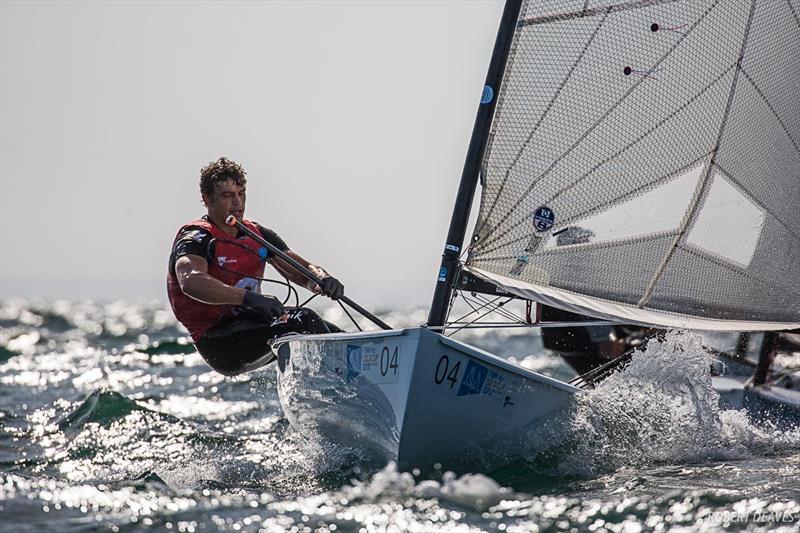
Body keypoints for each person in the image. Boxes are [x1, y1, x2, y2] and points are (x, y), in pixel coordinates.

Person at [167, 157, 345, 375]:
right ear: (207, 199)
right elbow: (190, 280)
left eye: (241, 193)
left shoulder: (257, 234)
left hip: (255, 325)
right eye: (227, 195)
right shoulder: (196, 237)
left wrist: (322, 279)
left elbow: (299, 266)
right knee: (304, 320)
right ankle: (344, 379)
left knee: (336, 334)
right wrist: (249, 298)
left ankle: (357, 371)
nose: (237, 203)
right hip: (218, 342)